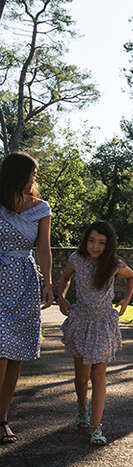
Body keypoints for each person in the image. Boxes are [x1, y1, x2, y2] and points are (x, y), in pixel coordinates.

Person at [57, 220, 133, 447]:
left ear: (108, 244)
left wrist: (126, 299)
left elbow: (131, 276)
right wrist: (61, 297)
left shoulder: (114, 263)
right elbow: (65, 278)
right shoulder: (76, 259)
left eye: (101, 242)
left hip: (103, 323)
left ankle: (96, 427)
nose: (95, 246)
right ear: (85, 241)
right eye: (91, 241)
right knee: (82, 378)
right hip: (81, 321)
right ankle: (82, 410)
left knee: (99, 374)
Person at [0, 152, 54, 444]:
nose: (34, 178)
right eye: (32, 173)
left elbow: (43, 249)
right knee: (0, 351)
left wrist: (49, 283)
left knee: (15, 355)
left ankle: (2, 419)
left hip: (24, 282)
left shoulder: (41, 208)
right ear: (17, 175)